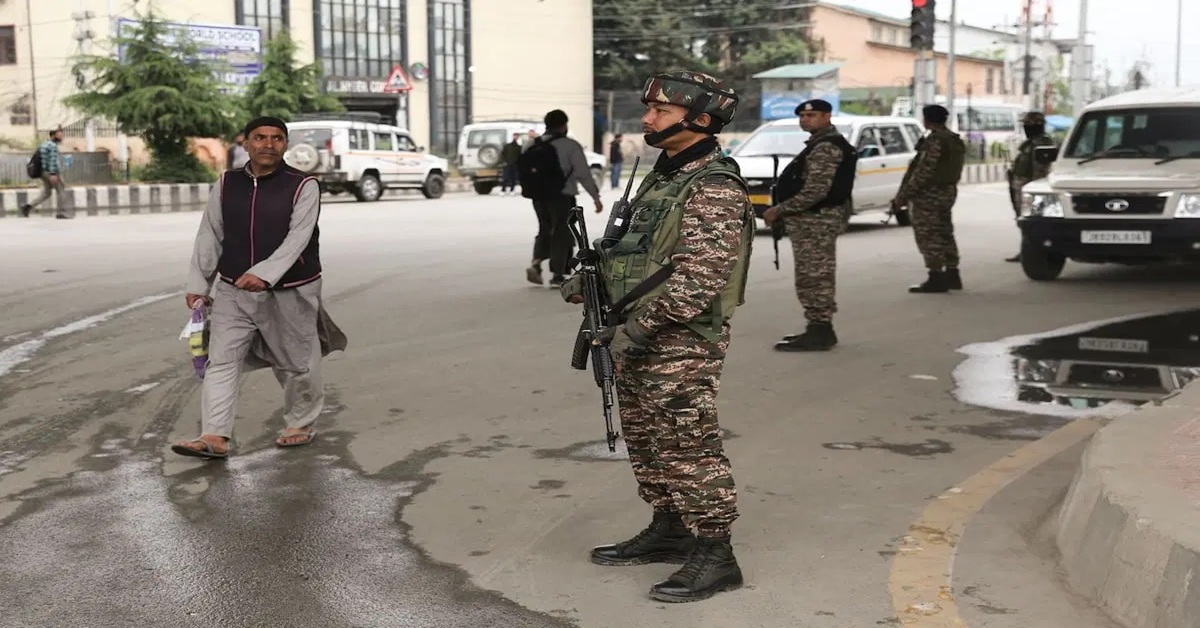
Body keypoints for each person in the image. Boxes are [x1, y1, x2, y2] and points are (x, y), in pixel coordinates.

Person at [561, 70, 754, 603]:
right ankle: (670, 528)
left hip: (680, 338)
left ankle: (716, 553)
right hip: (636, 331)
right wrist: (591, 278)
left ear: (700, 118)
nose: (647, 119)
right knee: (646, 438)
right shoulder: (665, 175)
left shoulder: (713, 184)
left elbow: (701, 276)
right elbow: (637, 250)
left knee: (687, 442)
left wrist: (641, 327)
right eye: (649, 109)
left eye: (661, 112)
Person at [172, 116, 346, 460]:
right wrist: (199, 283)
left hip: (291, 289)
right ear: (246, 143)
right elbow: (210, 234)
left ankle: (300, 422)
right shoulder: (226, 184)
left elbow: (298, 237)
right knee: (221, 361)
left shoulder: (303, 185)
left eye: (277, 138)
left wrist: (266, 274)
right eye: (260, 137)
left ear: (285, 144)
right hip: (234, 290)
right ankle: (214, 435)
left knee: (296, 361)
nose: (268, 144)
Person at [762, 99, 857, 352]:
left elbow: (815, 191)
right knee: (812, 275)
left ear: (827, 116)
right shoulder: (820, 144)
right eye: (802, 116)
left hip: (816, 220)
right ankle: (818, 328)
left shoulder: (826, 147)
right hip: (813, 220)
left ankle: (820, 330)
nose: (805, 120)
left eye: (812, 115)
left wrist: (778, 210)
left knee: (814, 276)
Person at [523, 109, 603, 289]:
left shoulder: (531, 145)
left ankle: (536, 262)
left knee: (544, 228)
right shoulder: (570, 145)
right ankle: (557, 274)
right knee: (561, 231)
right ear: (564, 125)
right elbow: (583, 174)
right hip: (562, 197)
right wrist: (595, 197)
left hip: (538, 196)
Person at [891, 105, 966, 293]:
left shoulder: (935, 141)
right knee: (944, 230)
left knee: (928, 234)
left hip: (929, 194)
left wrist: (903, 196)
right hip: (947, 192)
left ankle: (936, 276)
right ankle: (952, 273)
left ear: (927, 119)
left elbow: (923, 172)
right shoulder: (953, 140)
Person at [1005, 111, 1056, 262]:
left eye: (1028, 126)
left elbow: (1040, 170)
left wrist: (1033, 190)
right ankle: (1026, 249)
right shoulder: (1030, 143)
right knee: (1022, 219)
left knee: (1031, 221)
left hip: (1029, 186)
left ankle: (1034, 251)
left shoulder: (1042, 143)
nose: (1026, 128)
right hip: (1020, 184)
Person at [20, 129, 73, 219]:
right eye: (60, 135)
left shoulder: (44, 144)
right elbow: (52, 160)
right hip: (50, 172)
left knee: (47, 193)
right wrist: (53, 173)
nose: (61, 137)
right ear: (53, 136)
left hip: (42, 172)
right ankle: (62, 212)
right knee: (61, 190)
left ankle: (28, 207)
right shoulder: (52, 146)